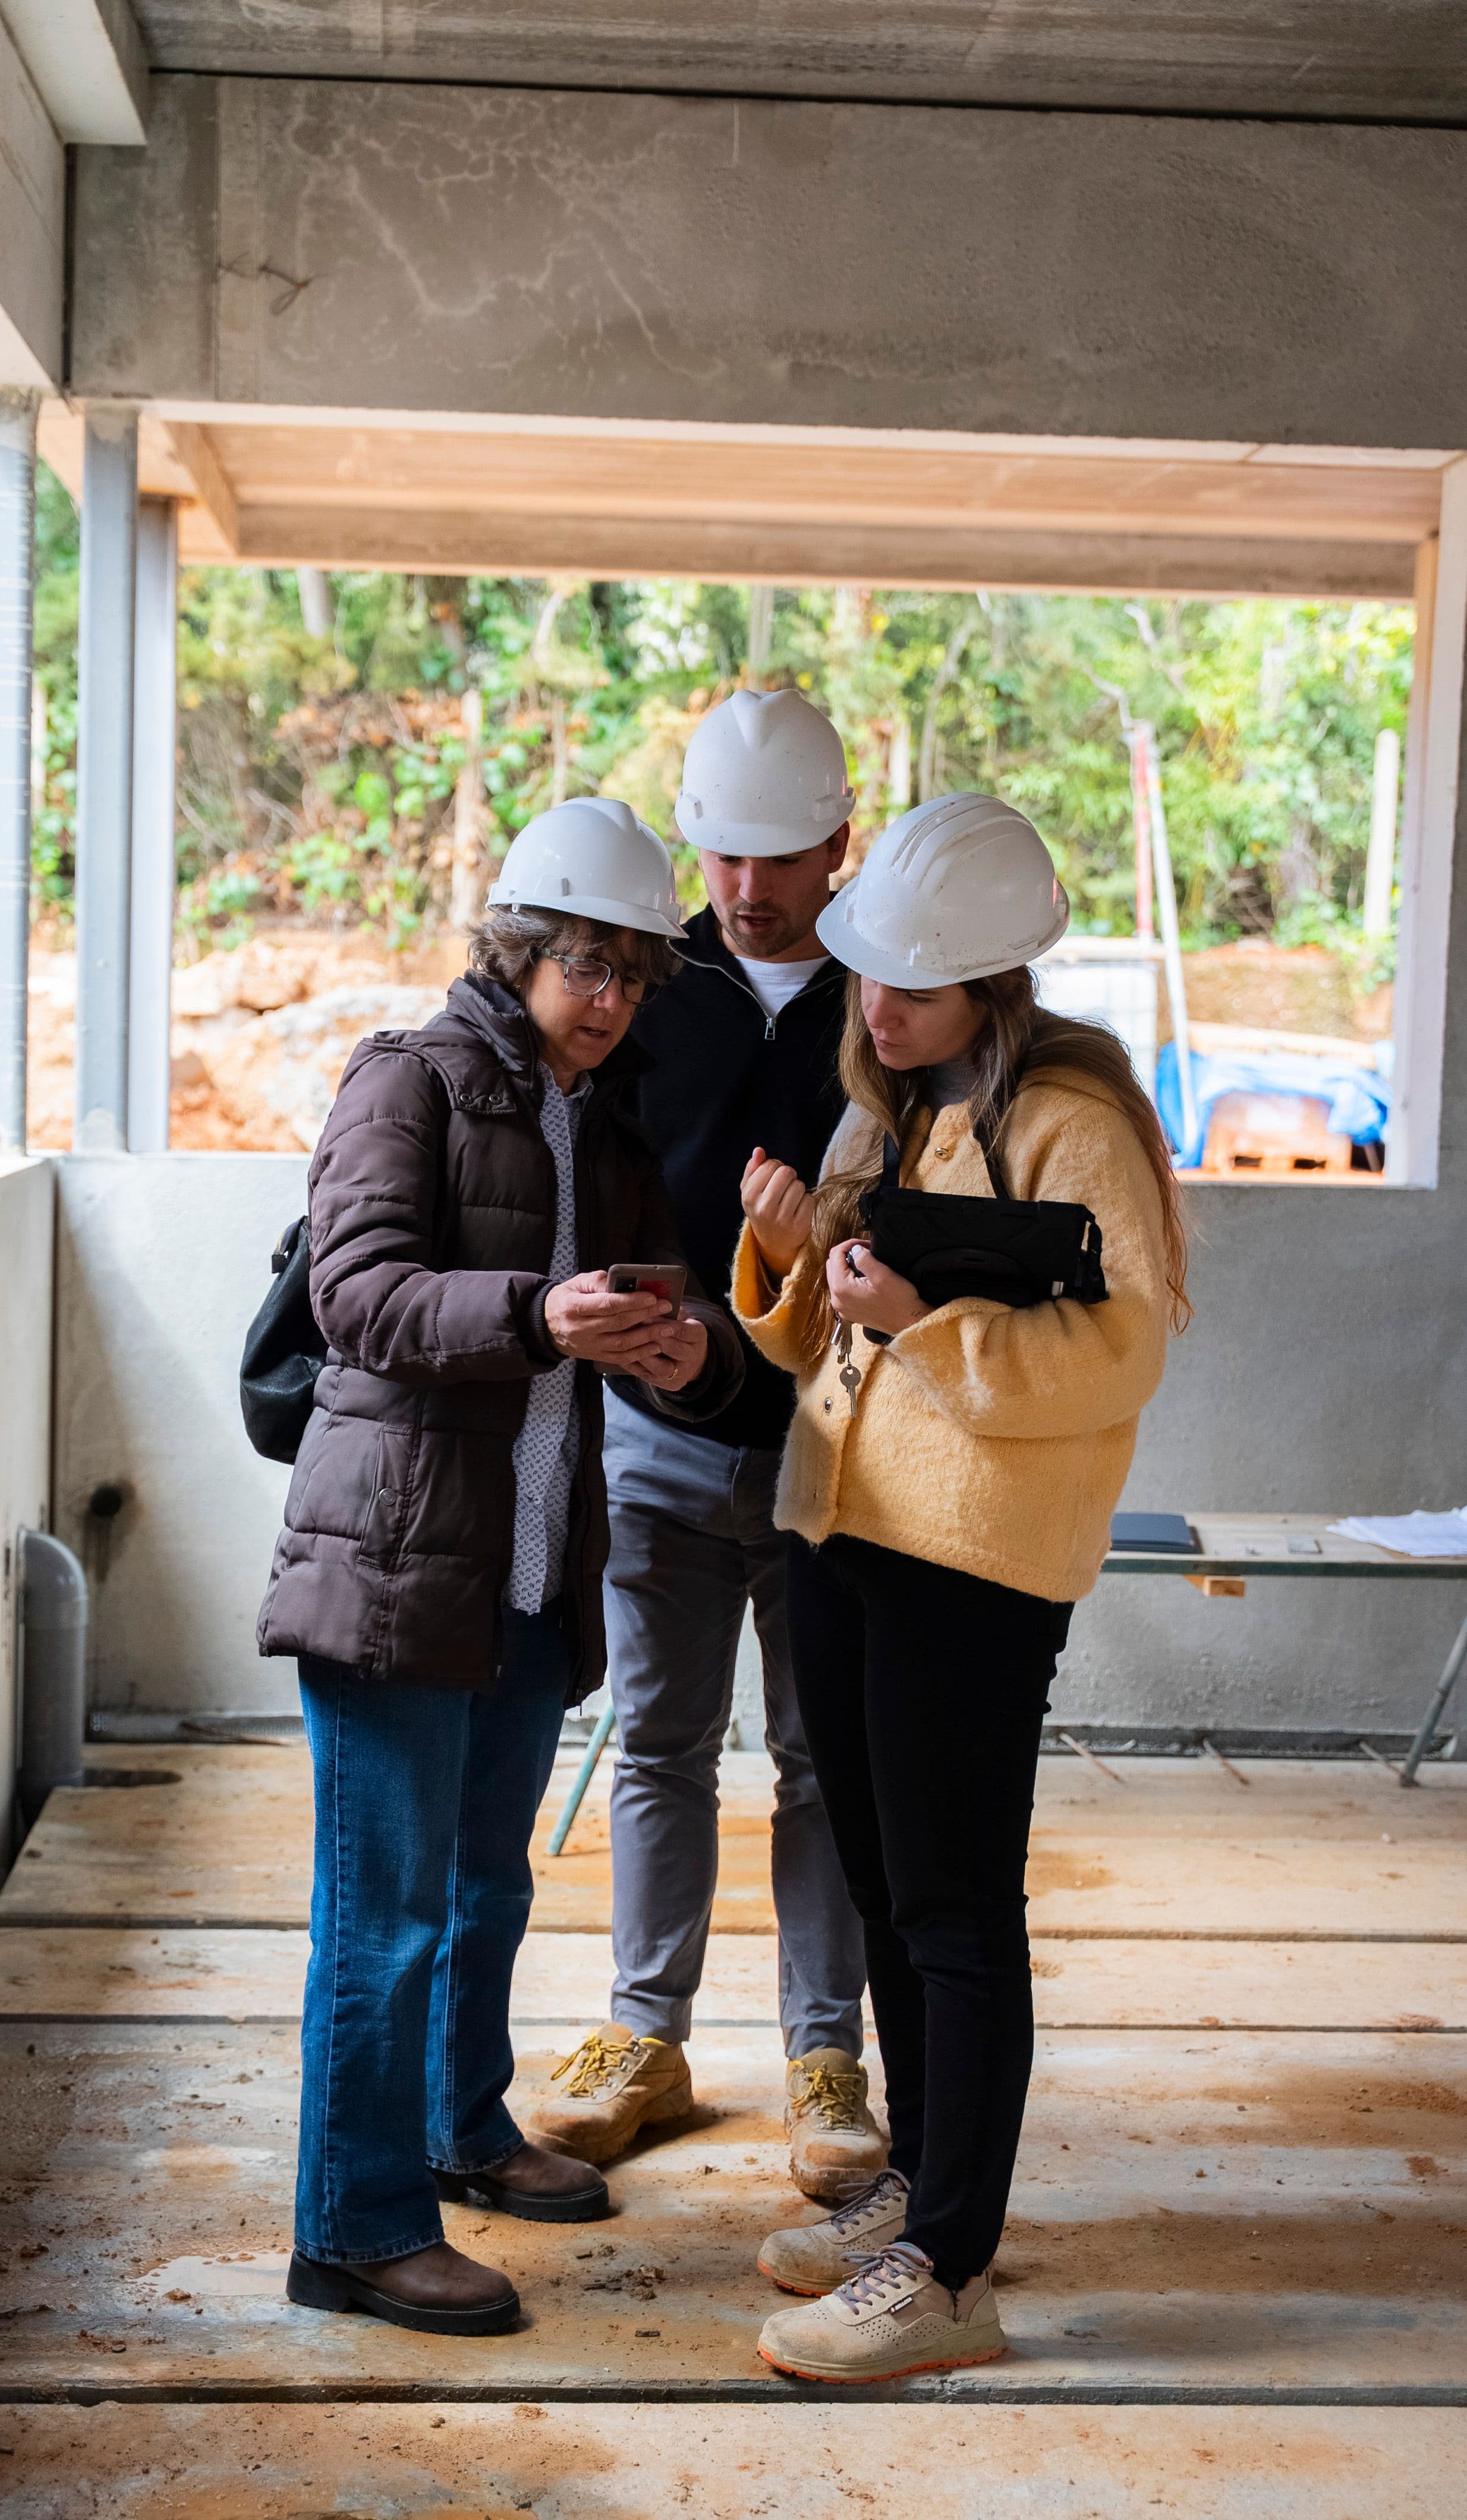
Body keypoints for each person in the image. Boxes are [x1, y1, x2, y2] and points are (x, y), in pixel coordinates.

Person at [257, 796, 743, 2339]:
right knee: (384, 1912)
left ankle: (465, 2130)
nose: (607, 1000)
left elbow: (653, 1313)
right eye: (584, 966)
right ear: (519, 947)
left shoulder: (600, 1118)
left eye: (632, 975)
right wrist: (539, 1318)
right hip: (400, 1563)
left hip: (528, 1574)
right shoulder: (407, 1080)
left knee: (484, 1887)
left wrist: (682, 1350)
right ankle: (353, 2226)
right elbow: (358, 1297)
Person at [732, 793, 1187, 2383]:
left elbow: (1123, 1346)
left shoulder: (1076, 1121)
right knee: (887, 1892)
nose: (878, 1009)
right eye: (870, 979)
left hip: (972, 1565)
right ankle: (922, 2202)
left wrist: (927, 1315)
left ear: (997, 984)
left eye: (913, 989)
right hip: (845, 1536)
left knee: (955, 1912)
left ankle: (953, 2274)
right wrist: (790, 1263)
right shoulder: (894, 1108)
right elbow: (819, 1343)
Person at [530, 691, 879, 2201]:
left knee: (823, 1759)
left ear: (840, 847)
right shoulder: (642, 990)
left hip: (834, 1445)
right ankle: (645, 2034)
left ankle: (826, 2056)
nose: (748, 886)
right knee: (658, 1745)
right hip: (655, 1433)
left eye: (782, 854)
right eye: (725, 852)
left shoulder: (892, 998)